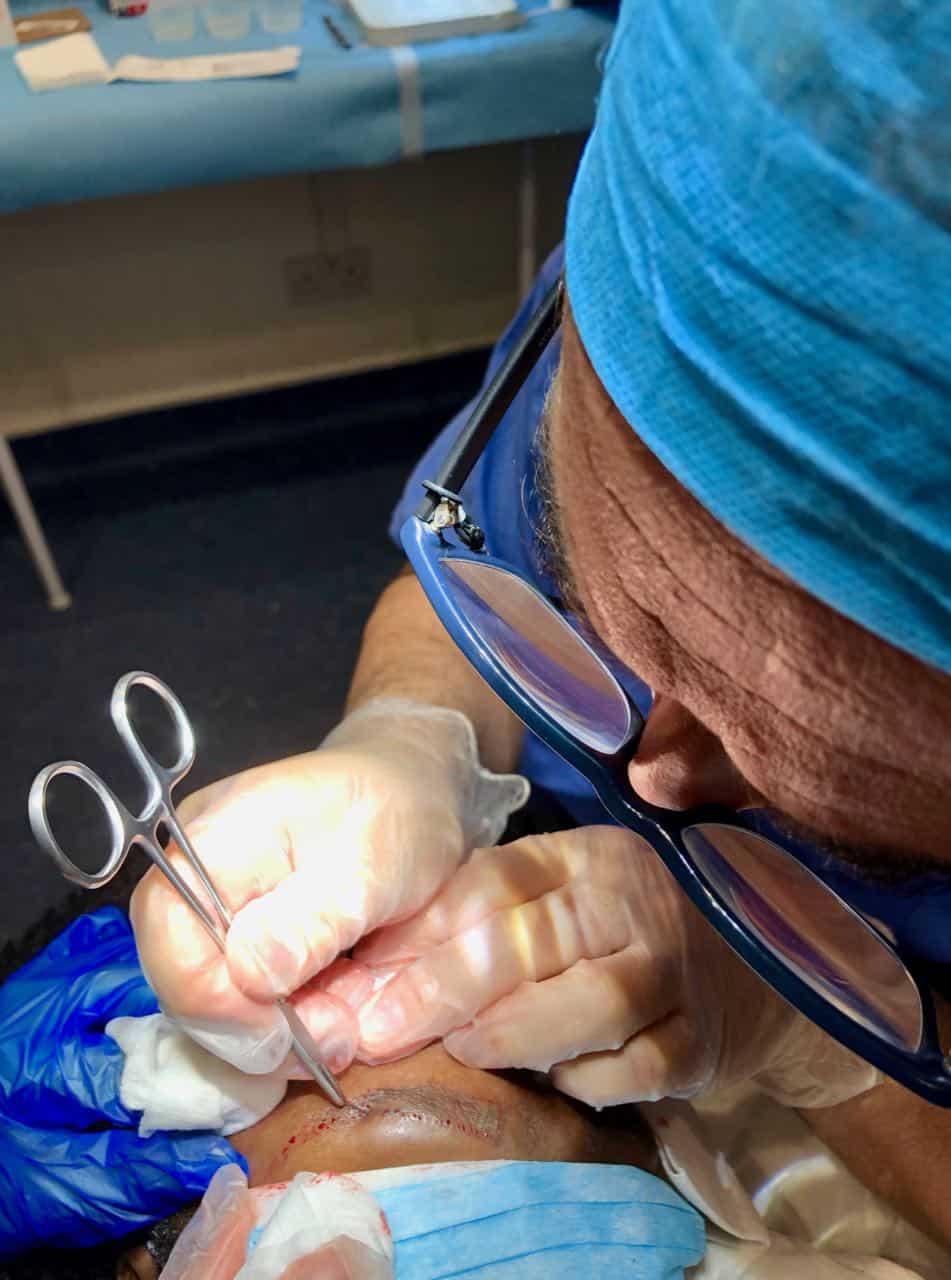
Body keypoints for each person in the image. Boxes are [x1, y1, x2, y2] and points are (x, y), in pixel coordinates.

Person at [22, 0, 951, 1257]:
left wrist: (819, 1047)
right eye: (631, 615)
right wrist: (414, 735)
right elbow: (470, 567)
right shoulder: (715, 224)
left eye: (815, 765)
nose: (648, 770)